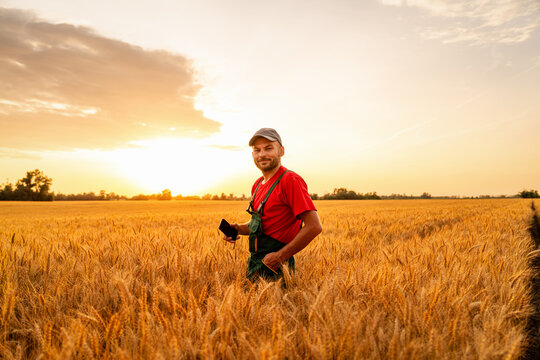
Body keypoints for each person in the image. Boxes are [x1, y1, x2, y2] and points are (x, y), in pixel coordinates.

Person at [222, 128, 322, 281]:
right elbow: (263, 223)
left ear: (281, 151)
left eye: (268, 148)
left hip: (277, 265)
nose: (262, 154)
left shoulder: (290, 180)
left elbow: (314, 226)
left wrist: (280, 256)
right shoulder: (257, 184)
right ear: (252, 155)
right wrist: (238, 229)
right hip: (255, 261)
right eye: (257, 150)